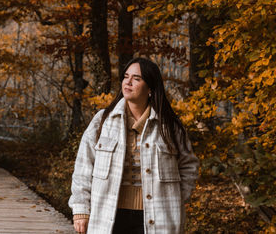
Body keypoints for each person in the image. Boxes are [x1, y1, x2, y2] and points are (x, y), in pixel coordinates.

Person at [68, 57, 200, 234]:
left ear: (150, 89)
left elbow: (189, 165)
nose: (128, 82)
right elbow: (83, 167)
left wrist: (174, 198)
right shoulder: (103, 121)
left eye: (137, 79)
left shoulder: (169, 126)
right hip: (109, 216)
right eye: (126, 76)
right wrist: (81, 211)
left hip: (157, 217)